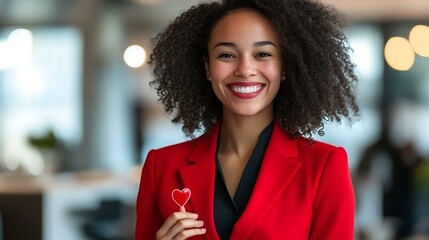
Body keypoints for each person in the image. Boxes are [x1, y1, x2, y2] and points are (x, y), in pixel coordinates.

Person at [135, 0, 359, 239]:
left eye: (263, 54)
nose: (245, 68)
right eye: (227, 54)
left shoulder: (324, 167)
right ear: (208, 67)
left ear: (284, 66)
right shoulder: (161, 167)